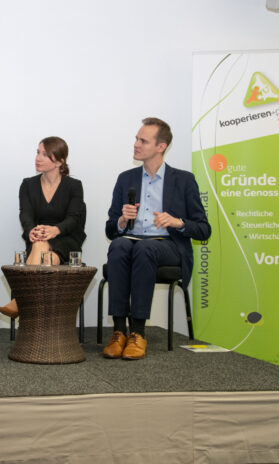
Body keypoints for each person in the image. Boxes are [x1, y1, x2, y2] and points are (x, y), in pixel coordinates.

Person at [103, 117, 210, 360]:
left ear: (161, 147)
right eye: (136, 139)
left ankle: (138, 333)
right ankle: (119, 331)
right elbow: (110, 229)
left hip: (168, 246)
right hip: (131, 240)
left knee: (146, 249)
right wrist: (121, 221)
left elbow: (204, 229)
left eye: (143, 140)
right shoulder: (126, 178)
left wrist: (177, 222)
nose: (136, 144)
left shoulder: (183, 180)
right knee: (119, 245)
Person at [0, 136, 86, 318]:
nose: (38, 158)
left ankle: (21, 301)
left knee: (41, 248)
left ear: (59, 161)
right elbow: (25, 215)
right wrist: (31, 230)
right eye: (38, 152)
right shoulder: (28, 184)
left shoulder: (74, 186)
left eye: (45, 155)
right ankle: (38, 314)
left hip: (66, 239)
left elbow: (74, 219)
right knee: (46, 257)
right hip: (38, 237)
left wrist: (55, 230)